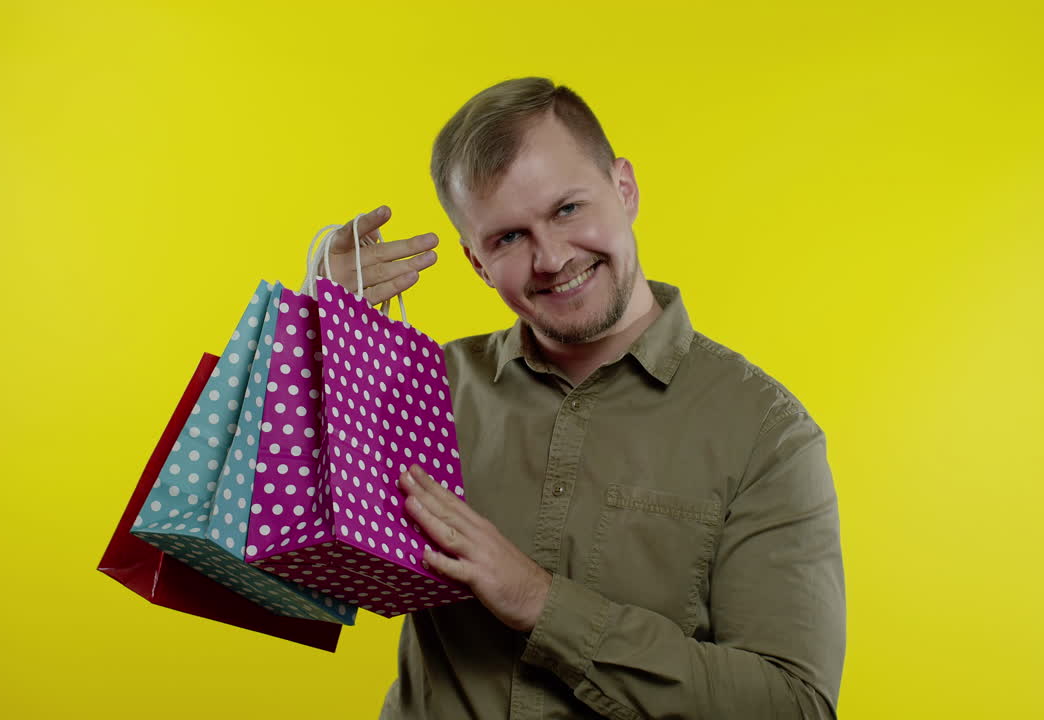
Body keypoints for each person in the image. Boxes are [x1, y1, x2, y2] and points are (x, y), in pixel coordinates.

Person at [320, 77, 846, 719]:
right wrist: (318, 333)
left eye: (567, 209)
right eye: (507, 238)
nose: (551, 258)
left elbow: (792, 707)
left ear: (624, 189)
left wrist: (541, 602)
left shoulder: (767, 434)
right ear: (476, 263)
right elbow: (254, 563)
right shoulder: (426, 386)